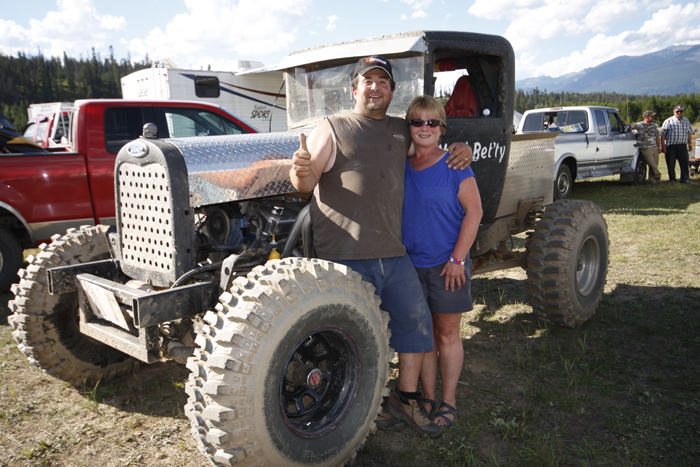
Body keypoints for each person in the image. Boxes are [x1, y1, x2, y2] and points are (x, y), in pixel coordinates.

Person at [289, 56, 473, 438]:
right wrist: (301, 170)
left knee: (416, 329)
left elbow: (427, 145)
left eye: (382, 82)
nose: (375, 87)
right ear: (354, 89)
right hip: (345, 256)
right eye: (367, 81)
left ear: (391, 91)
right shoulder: (333, 127)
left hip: (394, 253)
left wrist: (461, 148)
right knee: (352, 338)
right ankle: (349, 406)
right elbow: (304, 184)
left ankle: (404, 400)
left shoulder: (399, 130)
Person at [401, 96, 483, 428]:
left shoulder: (455, 164)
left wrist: (456, 259)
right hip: (410, 267)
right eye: (417, 122)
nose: (424, 128)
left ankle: (448, 402)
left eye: (432, 123)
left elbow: (475, 212)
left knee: (447, 334)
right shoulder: (402, 164)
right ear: (409, 127)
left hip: (447, 265)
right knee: (424, 336)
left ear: (442, 128)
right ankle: (427, 396)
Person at [660, 105, 694, 184]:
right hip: (671, 146)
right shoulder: (668, 121)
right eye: (677, 111)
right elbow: (663, 134)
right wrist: (663, 146)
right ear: (674, 111)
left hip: (682, 145)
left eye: (681, 111)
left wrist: (690, 144)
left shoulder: (686, 120)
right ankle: (672, 179)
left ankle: (685, 179)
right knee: (671, 164)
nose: (679, 113)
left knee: (685, 163)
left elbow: (689, 132)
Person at [629, 110, 662, 185]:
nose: (653, 117)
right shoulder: (640, 125)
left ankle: (652, 179)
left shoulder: (654, 125)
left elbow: (657, 136)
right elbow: (631, 125)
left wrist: (659, 147)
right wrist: (625, 124)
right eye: (652, 116)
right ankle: (658, 176)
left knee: (655, 164)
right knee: (651, 164)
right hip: (645, 147)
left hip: (654, 147)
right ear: (646, 117)